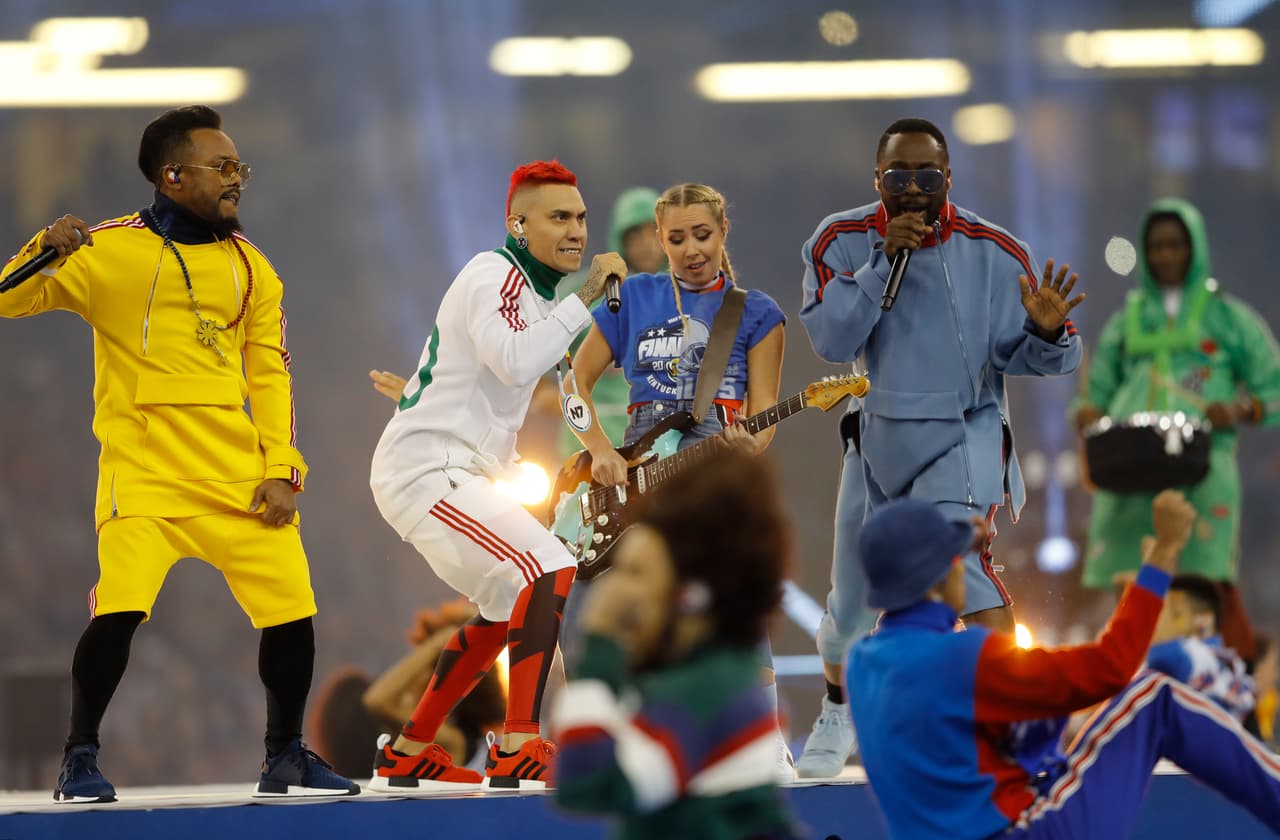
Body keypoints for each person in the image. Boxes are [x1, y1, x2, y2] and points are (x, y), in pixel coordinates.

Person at [0, 105, 358, 801]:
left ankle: (284, 753)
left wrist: (283, 468)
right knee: (121, 609)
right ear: (172, 176)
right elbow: (7, 301)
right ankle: (79, 759)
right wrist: (44, 246)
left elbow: (271, 374)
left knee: (292, 607)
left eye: (239, 168)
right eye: (221, 168)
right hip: (143, 476)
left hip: (236, 476)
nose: (237, 181)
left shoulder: (254, 269)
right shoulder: (104, 250)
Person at [794, 116, 1085, 777]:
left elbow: (1041, 358)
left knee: (963, 572)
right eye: (901, 178)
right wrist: (881, 264)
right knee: (850, 604)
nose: (916, 191)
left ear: (948, 179)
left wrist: (1045, 333)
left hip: (962, 435)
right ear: (878, 182)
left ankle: (1011, 726)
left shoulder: (996, 249)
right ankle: (842, 712)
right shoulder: (839, 242)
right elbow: (833, 342)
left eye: (929, 177)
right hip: (875, 441)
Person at [367, 159, 626, 791]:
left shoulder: (538, 297)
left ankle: (408, 748)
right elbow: (514, 364)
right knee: (548, 568)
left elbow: (544, 390)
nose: (576, 231)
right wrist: (587, 296)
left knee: (506, 600)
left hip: (460, 468)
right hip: (428, 470)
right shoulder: (494, 275)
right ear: (517, 224)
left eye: (581, 217)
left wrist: (591, 450)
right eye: (559, 217)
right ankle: (518, 745)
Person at [845, 490, 1280, 839]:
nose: (964, 570)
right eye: (957, 562)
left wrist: (943, 549)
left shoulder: (863, 665)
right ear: (939, 579)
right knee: (1152, 697)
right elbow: (1113, 667)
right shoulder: (966, 658)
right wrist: (1163, 554)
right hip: (1025, 833)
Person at [566, 182, 790, 776]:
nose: (692, 249)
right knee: (627, 595)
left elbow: (764, 413)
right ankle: (633, 738)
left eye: (703, 235)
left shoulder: (757, 311)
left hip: (716, 463)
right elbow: (574, 383)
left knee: (729, 583)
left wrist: (750, 439)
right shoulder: (630, 298)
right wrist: (597, 449)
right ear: (660, 240)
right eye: (676, 238)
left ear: (723, 234)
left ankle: (759, 735)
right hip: (641, 468)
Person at [551, 450, 803, 840]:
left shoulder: (711, 687)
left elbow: (585, 786)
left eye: (635, 574)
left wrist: (599, 643)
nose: (616, 590)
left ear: (689, 595)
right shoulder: (692, 674)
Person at [1074, 198, 1280, 663]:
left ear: (1195, 249)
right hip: (1129, 472)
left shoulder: (1229, 318)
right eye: (1157, 246)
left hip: (1202, 472)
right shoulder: (1126, 321)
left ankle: (1208, 691)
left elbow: (1273, 386)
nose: (1166, 256)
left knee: (1203, 589)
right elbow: (1097, 390)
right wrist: (1086, 411)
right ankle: (1135, 691)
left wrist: (1244, 409)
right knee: (1132, 590)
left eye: (1175, 245)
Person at [1146, 573, 1255, 722]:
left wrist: (1150, 583)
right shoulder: (1229, 665)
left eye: (1174, 615)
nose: (1162, 623)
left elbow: (1163, 655)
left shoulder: (1204, 657)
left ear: (1204, 620)